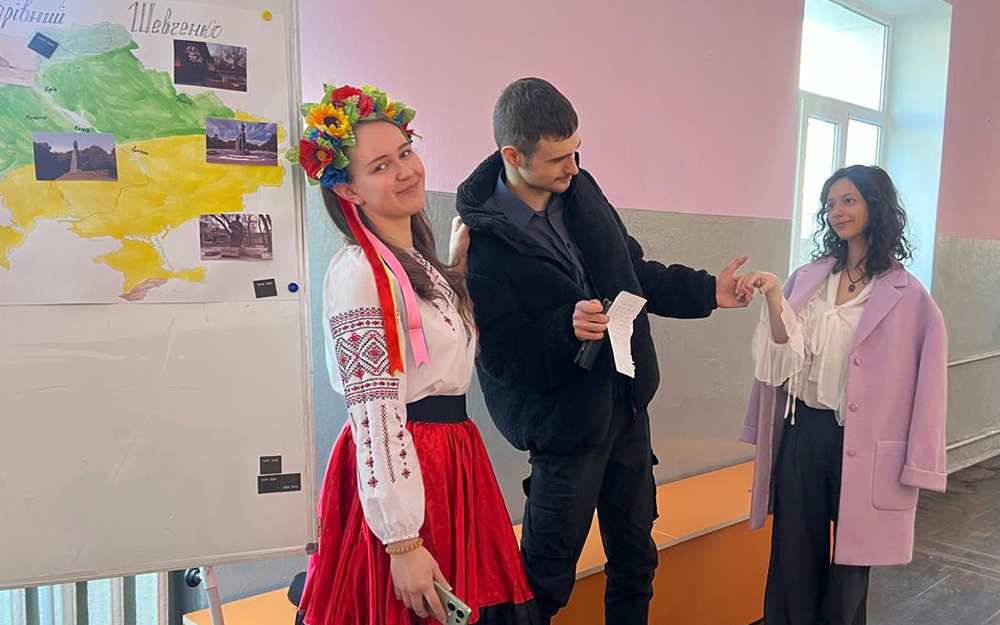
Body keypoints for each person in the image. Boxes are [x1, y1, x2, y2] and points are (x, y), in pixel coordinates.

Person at [455, 77, 754, 625]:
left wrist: (708, 291)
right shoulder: (484, 245)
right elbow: (500, 357)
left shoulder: (582, 192)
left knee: (637, 561)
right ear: (513, 155)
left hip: (626, 407)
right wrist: (564, 329)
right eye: (557, 159)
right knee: (542, 585)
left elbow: (632, 274)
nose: (572, 168)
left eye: (576, 152)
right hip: (565, 431)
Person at [292, 83, 538, 625]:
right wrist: (402, 542)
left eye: (405, 153)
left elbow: (439, 349)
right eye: (380, 166)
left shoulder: (414, 260)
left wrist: (454, 268)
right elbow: (374, 410)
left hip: (452, 459)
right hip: (406, 467)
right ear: (349, 191)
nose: (406, 171)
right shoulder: (360, 273)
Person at [737, 165, 948, 624]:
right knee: (792, 553)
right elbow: (782, 353)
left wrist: (921, 463)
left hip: (866, 446)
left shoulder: (911, 297)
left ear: (877, 206)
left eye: (848, 200)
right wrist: (772, 294)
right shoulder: (808, 278)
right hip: (803, 432)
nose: (837, 211)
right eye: (830, 203)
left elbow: (931, 388)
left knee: (852, 563)